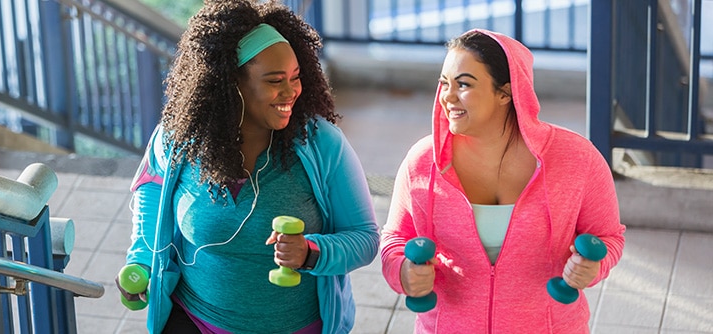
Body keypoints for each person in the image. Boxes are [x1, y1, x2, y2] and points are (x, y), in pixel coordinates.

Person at [116, 1, 380, 333]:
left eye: (296, 77)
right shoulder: (180, 139)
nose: (291, 92)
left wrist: (312, 252)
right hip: (194, 320)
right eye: (274, 81)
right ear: (232, 84)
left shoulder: (323, 145)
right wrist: (141, 260)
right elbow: (153, 190)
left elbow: (365, 238)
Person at [380, 29, 626, 333]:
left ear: (506, 93)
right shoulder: (422, 161)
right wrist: (403, 272)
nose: (447, 96)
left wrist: (593, 268)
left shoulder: (577, 159)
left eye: (464, 84)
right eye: (444, 83)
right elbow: (394, 239)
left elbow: (609, 237)